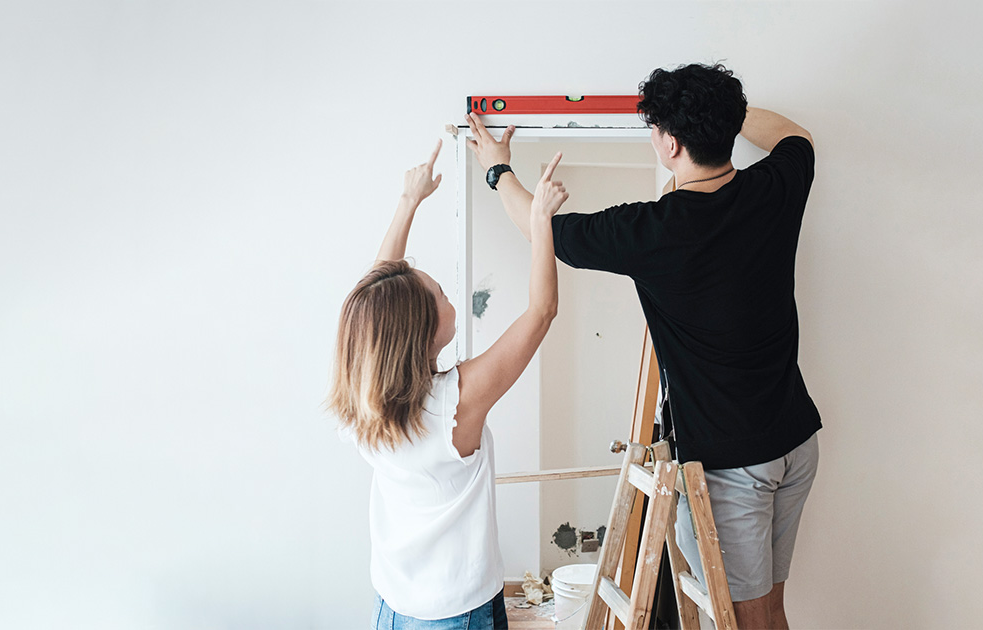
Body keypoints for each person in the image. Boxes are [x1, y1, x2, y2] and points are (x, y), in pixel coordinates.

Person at [466, 63, 820, 630]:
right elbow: (795, 136)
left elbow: (542, 230)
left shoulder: (655, 230)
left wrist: (496, 168)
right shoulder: (775, 188)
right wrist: (717, 111)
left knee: (751, 620)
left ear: (671, 143)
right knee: (770, 609)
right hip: (796, 441)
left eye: (656, 127)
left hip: (737, 466)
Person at [328, 140, 569, 630]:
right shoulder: (453, 405)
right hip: (456, 614)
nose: (443, 290)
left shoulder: (363, 397)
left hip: (395, 604)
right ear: (420, 331)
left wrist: (408, 201)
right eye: (437, 291)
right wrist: (540, 221)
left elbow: (375, 303)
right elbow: (541, 313)